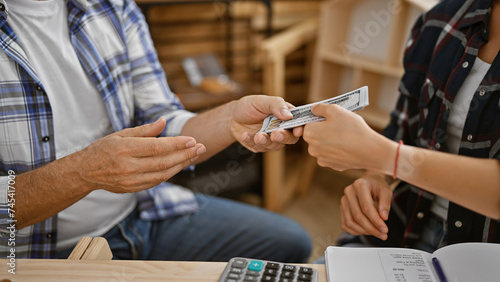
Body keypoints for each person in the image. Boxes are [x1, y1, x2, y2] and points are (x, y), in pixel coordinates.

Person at [0, 0, 312, 261]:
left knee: (291, 243)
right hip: (35, 253)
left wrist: (231, 119)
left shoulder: (113, 6)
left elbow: (162, 123)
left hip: (142, 213)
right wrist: (83, 172)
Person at [303, 0, 500, 253]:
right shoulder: (441, 20)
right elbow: (404, 126)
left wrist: (384, 156)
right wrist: (375, 175)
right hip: (404, 229)